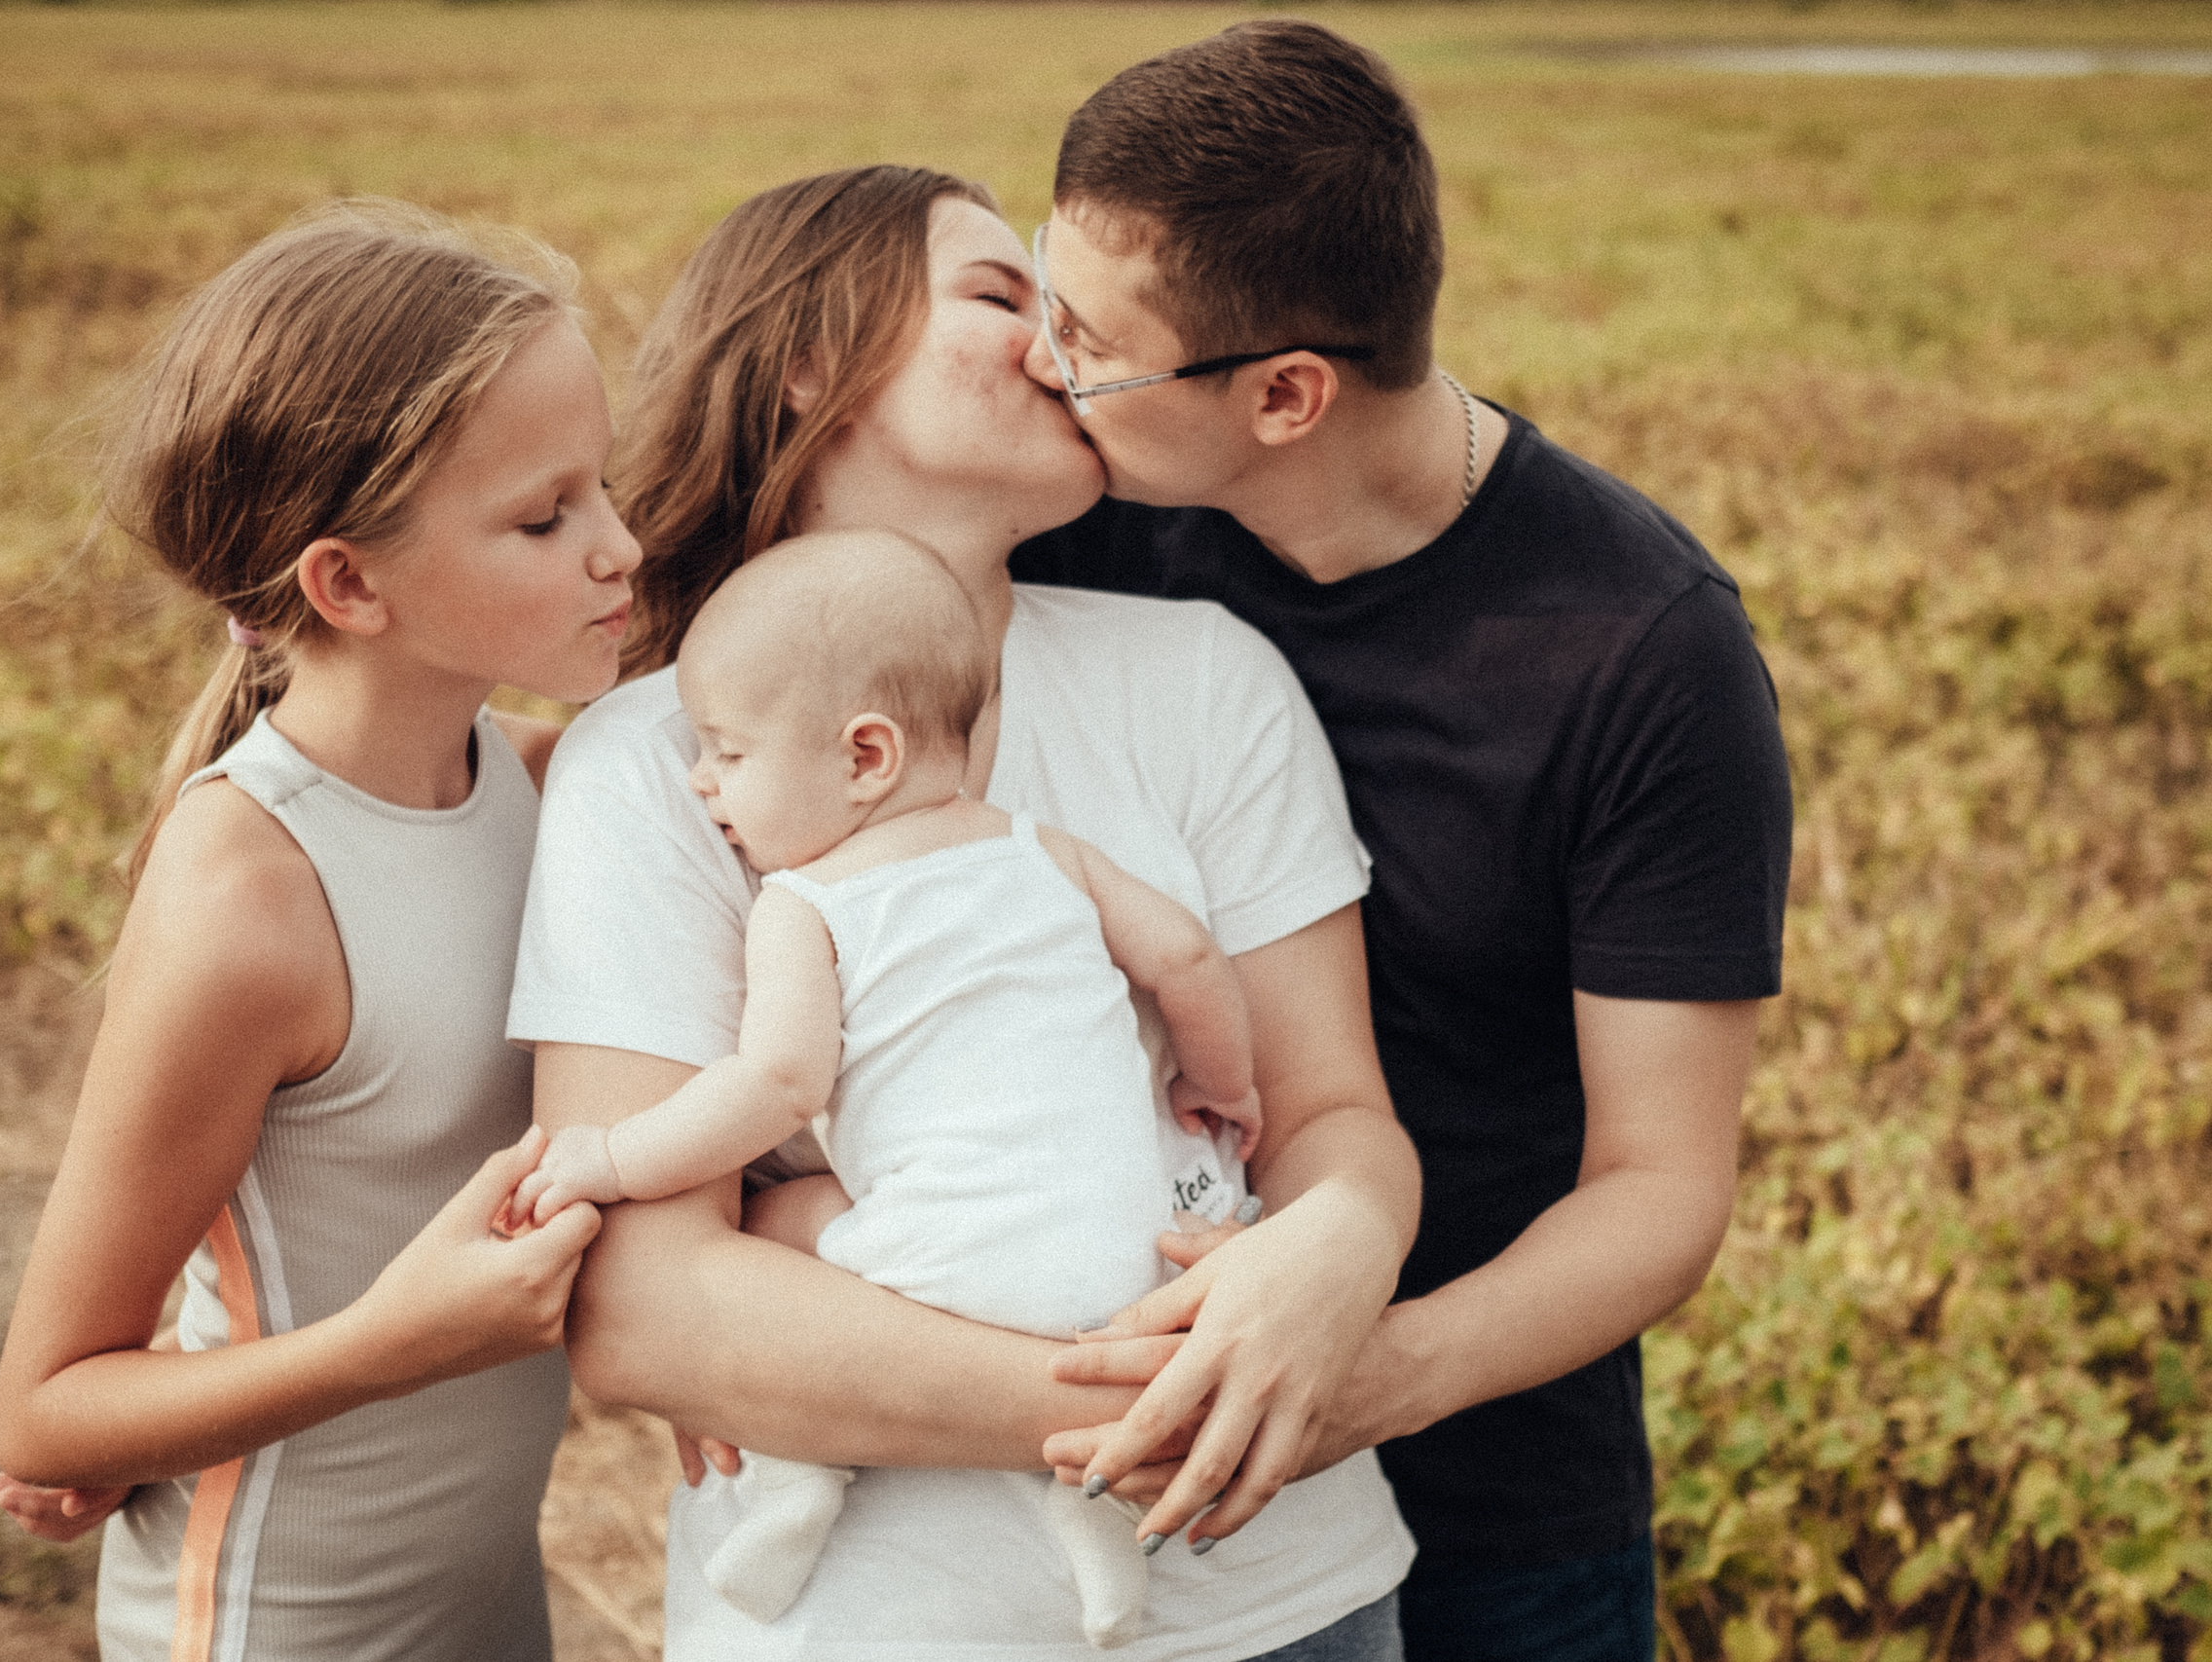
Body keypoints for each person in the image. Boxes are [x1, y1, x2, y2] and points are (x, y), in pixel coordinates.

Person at [510, 165, 1422, 1660]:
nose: (1057, 343)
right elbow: (651, 1309)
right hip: (874, 1620)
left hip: (1281, 1596)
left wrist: (1345, 1247)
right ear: (812, 361)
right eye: (1001, 298)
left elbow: (1325, 1113)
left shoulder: (1203, 678)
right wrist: (1168, 1399)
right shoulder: (662, 763)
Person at [1009, 22, 1794, 1661]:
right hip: (1081, 1463)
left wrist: (1375, 1367)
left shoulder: (1643, 649)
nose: (1043, 361)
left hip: (1500, 1510)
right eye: (1038, 295)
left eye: (1090, 337)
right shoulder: (1066, 509)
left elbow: (1662, 1184)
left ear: (1289, 392)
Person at [0, 200, 633, 1661]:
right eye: (548, 516)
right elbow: (46, 1403)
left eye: (605, 488)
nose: (620, 547)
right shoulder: (252, 892)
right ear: (348, 582)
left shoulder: (547, 786)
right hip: (275, 1621)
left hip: (486, 1606)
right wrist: (403, 1337)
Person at [511, 527, 1265, 1645]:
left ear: (865, 757)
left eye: (725, 750)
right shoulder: (1038, 849)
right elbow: (1186, 959)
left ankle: (796, 1470)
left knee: (783, 1214)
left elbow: (774, 1081)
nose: (699, 781)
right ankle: (1101, 1541)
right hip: (1125, 1272)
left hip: (947, 1282)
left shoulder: (805, 905)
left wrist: (612, 1157)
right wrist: (1222, 1084)